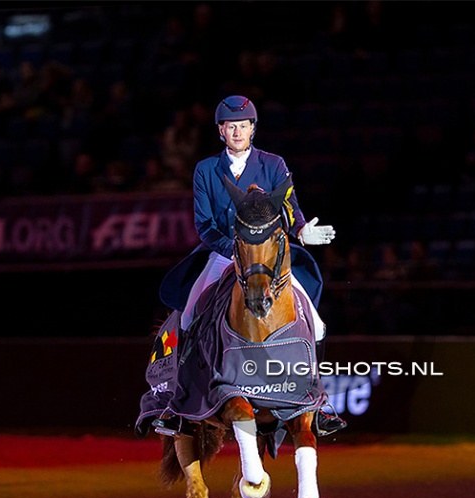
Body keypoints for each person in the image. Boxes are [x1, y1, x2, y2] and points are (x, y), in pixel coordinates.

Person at [140, 95, 345, 437]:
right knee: (188, 316)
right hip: (223, 254)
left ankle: (318, 402)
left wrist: (302, 231)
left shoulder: (273, 164)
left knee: (318, 323)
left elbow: (290, 207)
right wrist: (234, 251)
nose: (237, 132)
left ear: (253, 128)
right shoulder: (206, 170)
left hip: (266, 260)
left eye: (243, 125)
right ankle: (178, 402)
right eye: (230, 126)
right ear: (221, 131)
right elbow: (204, 225)